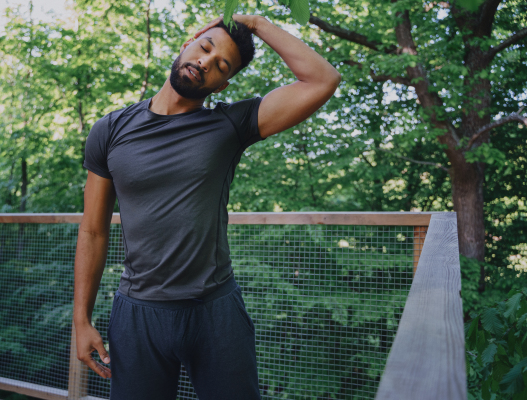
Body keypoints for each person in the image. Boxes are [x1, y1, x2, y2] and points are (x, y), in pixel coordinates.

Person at [73, 14, 341, 400]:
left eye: (221, 65)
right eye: (205, 47)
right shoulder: (110, 130)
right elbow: (93, 231)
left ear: (224, 83)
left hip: (215, 314)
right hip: (137, 314)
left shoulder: (231, 125)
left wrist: (257, 24)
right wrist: (81, 320)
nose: (206, 62)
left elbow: (323, 79)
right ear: (189, 42)